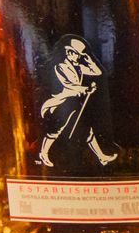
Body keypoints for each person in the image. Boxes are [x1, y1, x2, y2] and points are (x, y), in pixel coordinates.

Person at [38, 35, 118, 168]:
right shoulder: (61, 66)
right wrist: (85, 89)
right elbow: (68, 85)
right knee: (56, 129)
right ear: (69, 53)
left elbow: (97, 72)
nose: (78, 57)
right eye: (77, 54)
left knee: (88, 130)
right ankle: (43, 153)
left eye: (80, 55)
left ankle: (101, 157)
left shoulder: (79, 67)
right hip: (63, 102)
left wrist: (89, 60)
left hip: (76, 103)